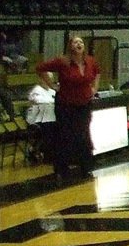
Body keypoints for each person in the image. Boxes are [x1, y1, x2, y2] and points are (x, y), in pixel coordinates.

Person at [36, 34, 100, 178]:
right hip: (66, 104)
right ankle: (61, 169)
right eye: (76, 42)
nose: (79, 44)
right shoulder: (62, 61)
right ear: (70, 46)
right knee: (65, 136)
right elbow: (40, 68)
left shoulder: (90, 61)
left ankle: (85, 167)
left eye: (81, 42)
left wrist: (94, 89)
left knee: (83, 134)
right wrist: (52, 85)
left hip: (84, 104)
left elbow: (97, 73)